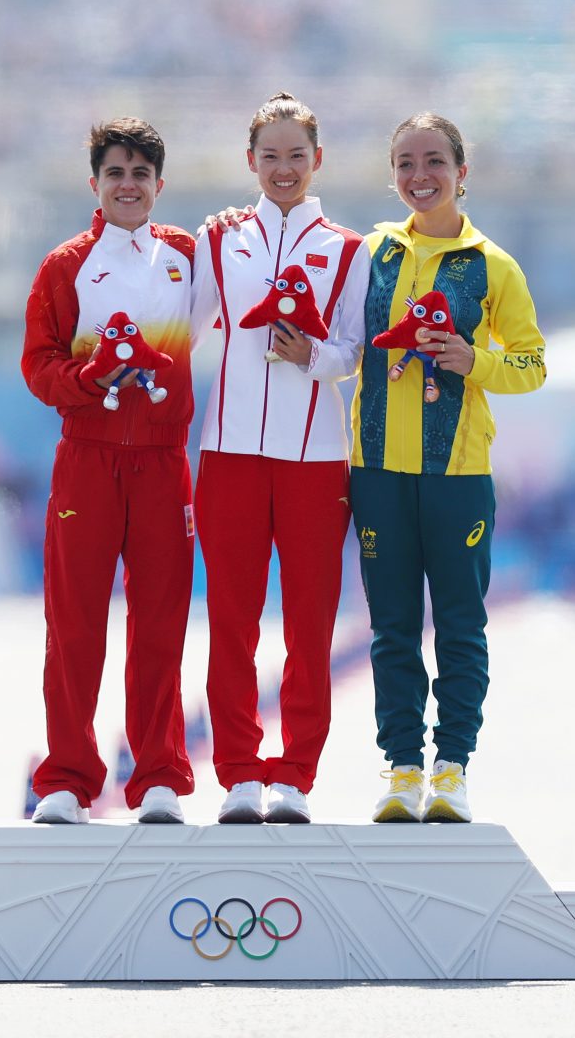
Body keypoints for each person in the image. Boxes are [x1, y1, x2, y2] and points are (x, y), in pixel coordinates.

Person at [353, 113, 546, 824]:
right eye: (405, 162)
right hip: (374, 470)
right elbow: (340, 338)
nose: (419, 175)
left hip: (459, 476)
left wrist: (476, 361)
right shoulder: (370, 252)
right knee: (391, 628)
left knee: (461, 627)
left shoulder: (493, 266)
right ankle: (402, 769)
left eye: (434, 161)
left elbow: (532, 364)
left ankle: (452, 769)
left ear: (462, 173)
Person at [191, 93, 368, 824]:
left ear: (317, 159)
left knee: (309, 624)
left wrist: (313, 356)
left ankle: (294, 775)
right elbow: (179, 328)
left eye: (297, 155)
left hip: (315, 458)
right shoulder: (220, 239)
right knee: (230, 620)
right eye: (271, 155)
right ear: (251, 161)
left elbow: (353, 352)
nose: (284, 168)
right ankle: (236, 774)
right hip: (227, 453)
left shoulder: (348, 250)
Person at [21, 117, 196, 825]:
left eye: (141, 174)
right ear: (94, 183)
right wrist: (91, 380)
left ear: (159, 184)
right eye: (116, 174)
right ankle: (67, 780)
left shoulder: (188, 256)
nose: (129, 186)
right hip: (87, 460)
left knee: (160, 624)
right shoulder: (65, 265)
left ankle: (157, 777)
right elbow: (38, 366)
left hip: (162, 462)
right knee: (75, 624)